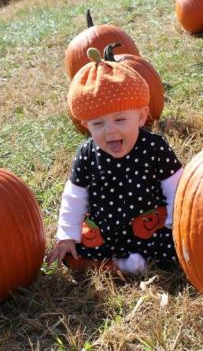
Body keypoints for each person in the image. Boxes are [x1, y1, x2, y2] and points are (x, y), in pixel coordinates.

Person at [46, 48, 183, 274]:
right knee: (72, 253)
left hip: (149, 227)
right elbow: (74, 196)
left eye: (120, 119)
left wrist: (173, 224)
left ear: (141, 116)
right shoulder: (87, 154)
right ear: (86, 125)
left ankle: (127, 265)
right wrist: (67, 235)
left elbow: (175, 187)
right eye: (97, 124)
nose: (110, 131)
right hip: (107, 230)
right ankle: (117, 266)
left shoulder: (154, 146)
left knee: (176, 247)